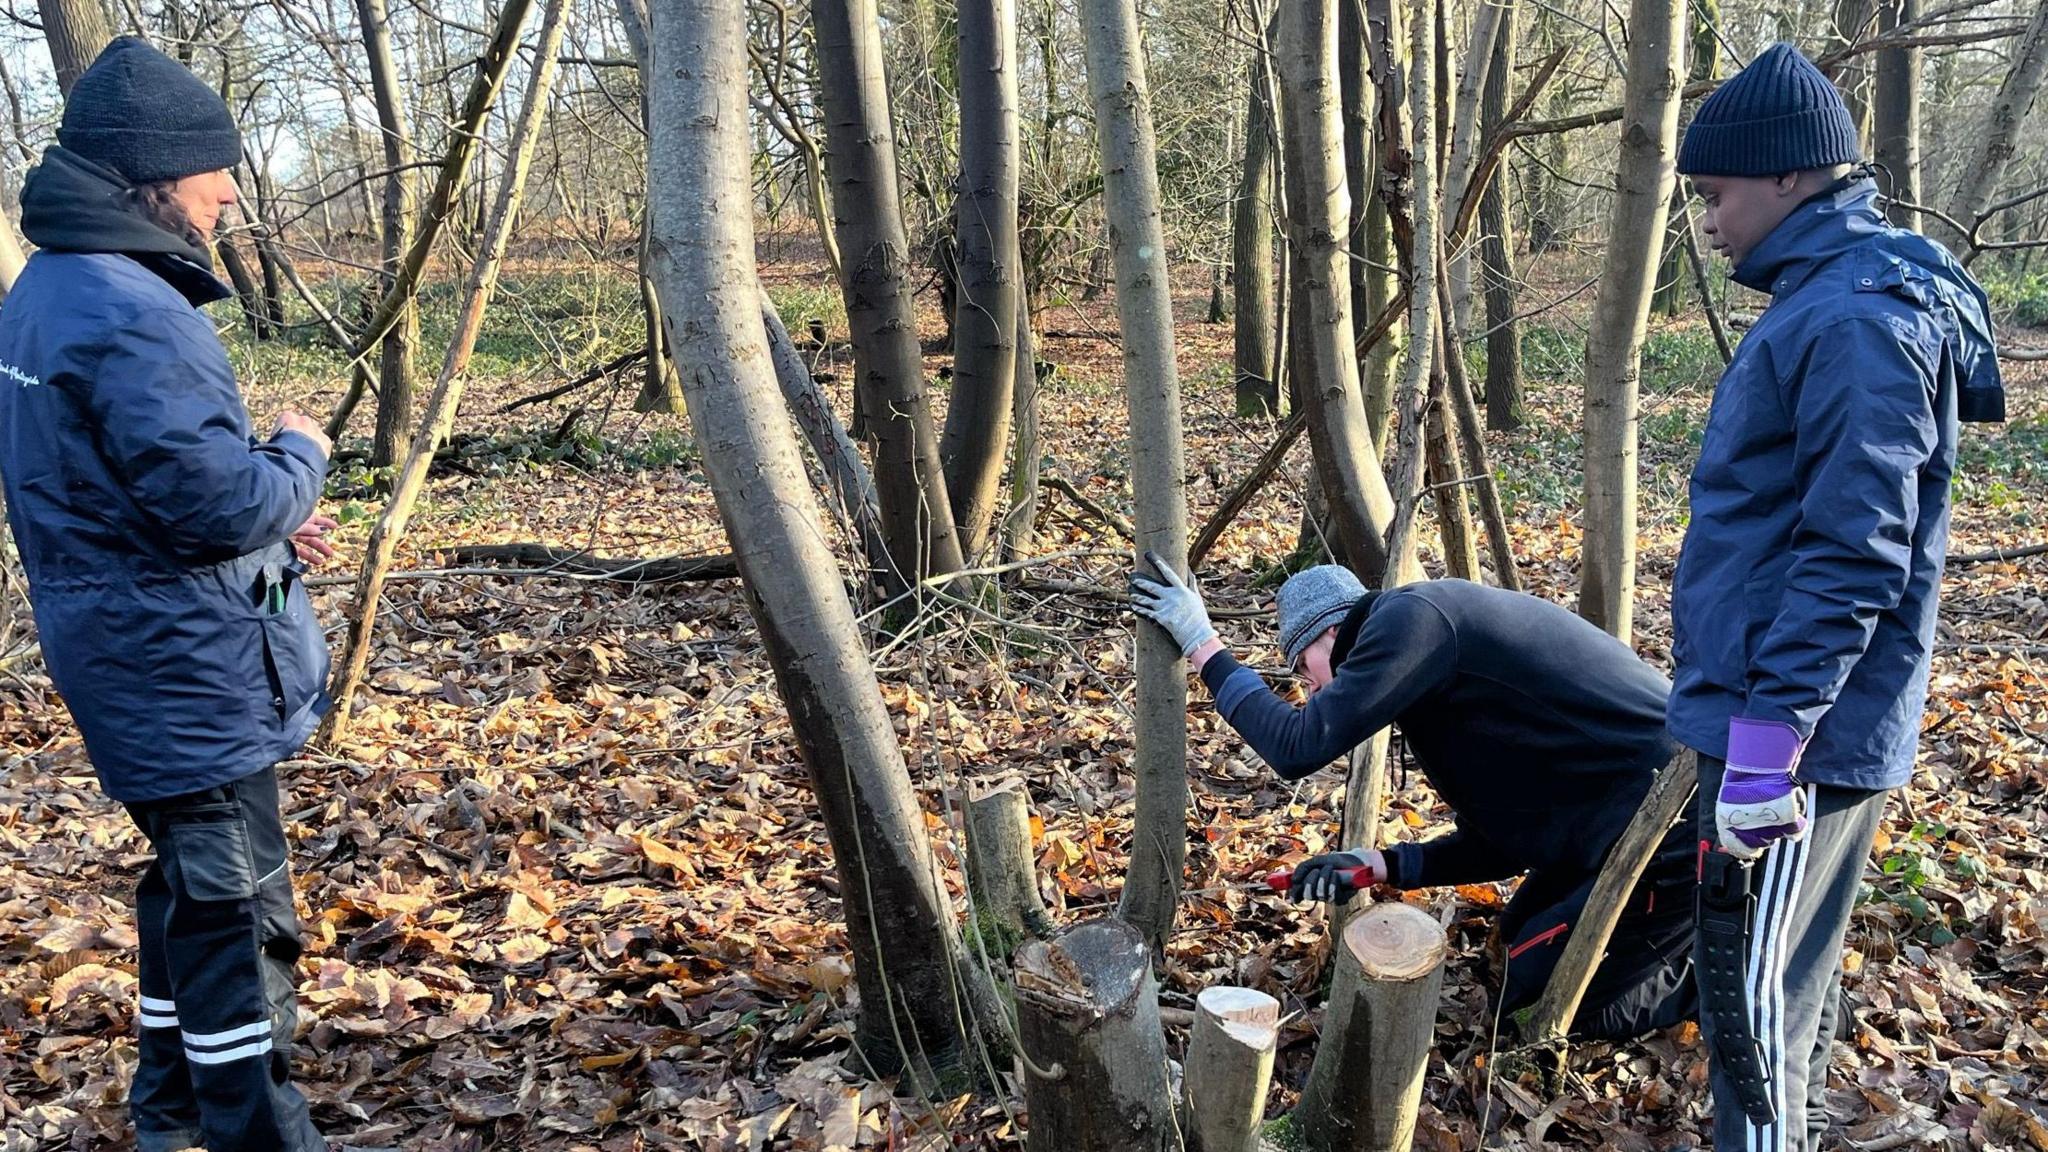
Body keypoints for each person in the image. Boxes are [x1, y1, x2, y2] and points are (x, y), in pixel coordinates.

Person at [0, 37, 338, 1152]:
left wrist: (272, 520)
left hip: (134, 647)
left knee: (189, 898)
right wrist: (296, 460)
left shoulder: (50, 290)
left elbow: (126, 489)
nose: (232, 191)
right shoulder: (135, 308)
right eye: (216, 169)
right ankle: (257, 1136)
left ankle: (171, 1115)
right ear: (154, 174)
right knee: (240, 915)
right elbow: (208, 510)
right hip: (182, 670)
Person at [1668, 43, 2002, 1152]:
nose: (1706, 222)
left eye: (1714, 195)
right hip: (1782, 713)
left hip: (1795, 734)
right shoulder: (1830, 300)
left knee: (1753, 1020)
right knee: (1771, 1003)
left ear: (1786, 177)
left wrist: (1769, 739)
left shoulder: (1855, 318)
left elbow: (1855, 547)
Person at [1132, 560, 1696, 1041]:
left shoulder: (1414, 621)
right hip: (1611, 824)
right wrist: (1379, 866)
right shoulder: (1432, 674)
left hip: (1676, 820)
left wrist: (1204, 647)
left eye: (1303, 669)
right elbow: (1502, 839)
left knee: (1541, 998)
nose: (1312, 691)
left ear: (1329, 633)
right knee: (1509, 948)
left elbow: (1297, 747)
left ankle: (1723, 978)